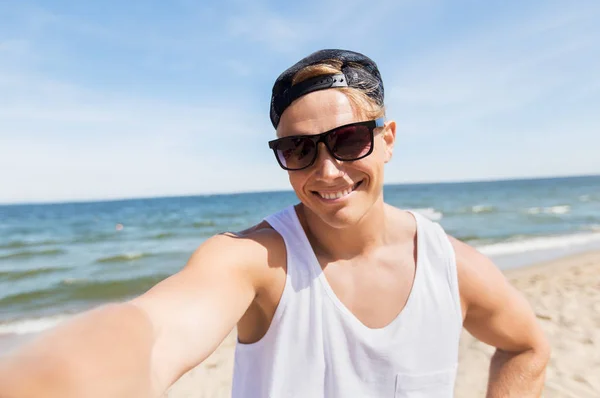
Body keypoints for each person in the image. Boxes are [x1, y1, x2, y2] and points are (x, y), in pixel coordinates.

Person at [0, 49, 549, 398]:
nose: (327, 170)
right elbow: (156, 330)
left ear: (387, 139)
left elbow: (527, 348)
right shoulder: (254, 261)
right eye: (298, 150)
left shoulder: (449, 265)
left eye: (349, 139)